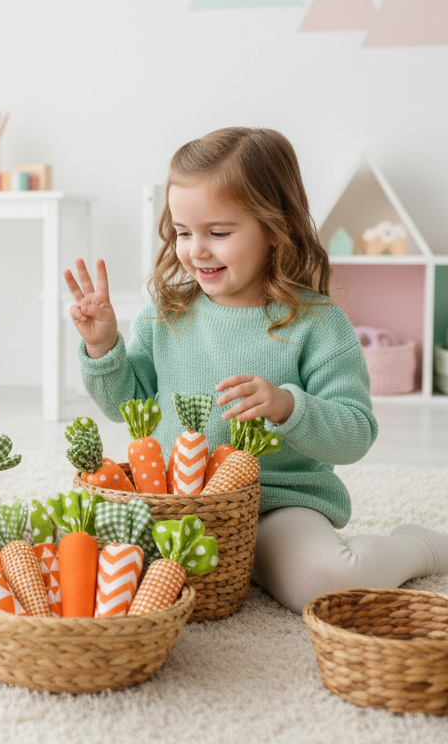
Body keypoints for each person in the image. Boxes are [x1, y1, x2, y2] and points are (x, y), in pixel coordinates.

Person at [64, 126, 448, 613]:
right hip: (173, 502)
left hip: (275, 504)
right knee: (80, 553)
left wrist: (290, 407)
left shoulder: (318, 324)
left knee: (325, 582)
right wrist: (103, 348)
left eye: (218, 233)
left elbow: (355, 433)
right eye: (183, 233)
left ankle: (420, 546)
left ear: (274, 228)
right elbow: (125, 408)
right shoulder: (165, 313)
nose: (196, 250)